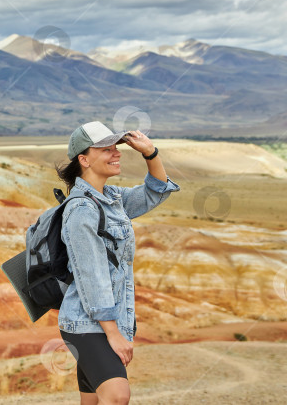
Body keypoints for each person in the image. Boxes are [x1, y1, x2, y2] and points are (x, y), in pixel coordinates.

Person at [55, 120, 180, 405]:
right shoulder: (81, 210)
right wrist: (113, 334)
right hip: (88, 324)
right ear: (83, 160)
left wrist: (150, 153)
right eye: (105, 149)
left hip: (103, 321)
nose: (116, 153)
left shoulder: (111, 199)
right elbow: (92, 276)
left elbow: (155, 192)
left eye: (116, 147)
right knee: (117, 396)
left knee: (93, 401)